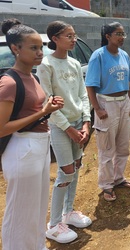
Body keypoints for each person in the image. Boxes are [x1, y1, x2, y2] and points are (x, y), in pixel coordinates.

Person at [0, 18, 64, 249]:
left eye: (41, 47)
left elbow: (34, 109)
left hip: (38, 146)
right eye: (33, 48)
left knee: (37, 207)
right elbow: (2, 128)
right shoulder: (9, 82)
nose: (40, 52)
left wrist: (48, 107)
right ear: (16, 49)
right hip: (22, 150)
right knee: (20, 211)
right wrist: (42, 113)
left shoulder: (33, 77)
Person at [37, 21, 92, 244]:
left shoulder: (75, 64)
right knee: (66, 171)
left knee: (77, 166)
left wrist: (86, 123)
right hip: (61, 127)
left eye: (74, 35)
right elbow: (47, 103)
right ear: (55, 38)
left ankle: (69, 212)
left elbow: (83, 95)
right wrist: (69, 129)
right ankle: (53, 224)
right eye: (68, 36)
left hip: (79, 122)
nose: (74, 39)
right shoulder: (46, 65)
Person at [85, 22, 130, 202]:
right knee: (107, 148)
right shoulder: (98, 56)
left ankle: (118, 178)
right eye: (118, 34)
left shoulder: (124, 55)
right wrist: (97, 108)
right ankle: (106, 185)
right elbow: (90, 85)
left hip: (123, 102)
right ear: (107, 36)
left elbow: (128, 81)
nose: (122, 37)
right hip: (107, 103)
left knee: (123, 145)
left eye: (123, 33)